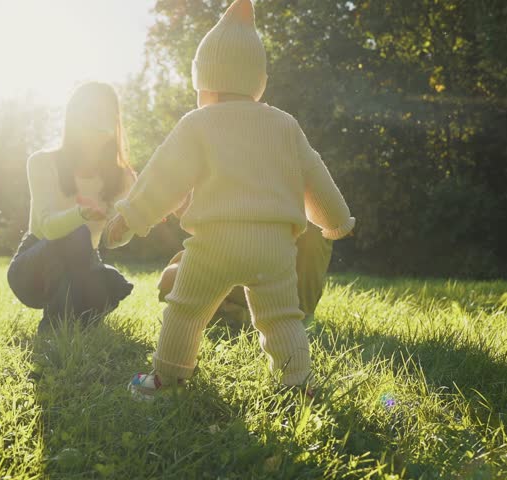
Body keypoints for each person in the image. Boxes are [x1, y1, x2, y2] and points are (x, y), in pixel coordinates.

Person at [106, 0, 355, 399]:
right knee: (281, 318)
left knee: (186, 310)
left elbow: (162, 178)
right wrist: (335, 221)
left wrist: (130, 218)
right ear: (258, 82)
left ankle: (166, 380)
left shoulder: (198, 123)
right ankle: (296, 385)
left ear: (205, 84)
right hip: (274, 247)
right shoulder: (284, 124)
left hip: (213, 244)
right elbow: (315, 176)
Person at [8, 82, 136, 333]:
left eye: (105, 114)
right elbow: (48, 228)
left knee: (92, 265)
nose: (97, 121)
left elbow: (112, 240)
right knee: (78, 235)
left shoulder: (124, 178)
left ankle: (74, 317)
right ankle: (59, 323)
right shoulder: (42, 162)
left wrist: (133, 221)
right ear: (73, 118)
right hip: (34, 264)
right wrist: (81, 214)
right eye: (89, 112)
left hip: (86, 260)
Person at [157, 222, 333, 330]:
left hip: (286, 297)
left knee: (173, 277)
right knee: (173, 277)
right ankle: (249, 319)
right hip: (247, 281)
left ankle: (257, 321)